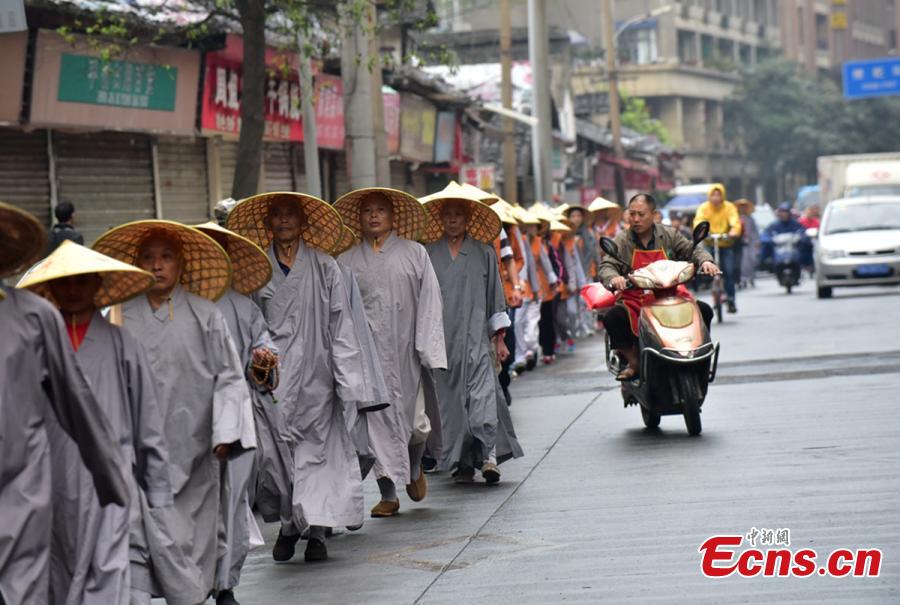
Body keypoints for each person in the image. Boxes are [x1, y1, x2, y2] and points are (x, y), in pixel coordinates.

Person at [94, 220, 257, 604]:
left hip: (198, 446)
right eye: (148, 257)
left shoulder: (206, 315)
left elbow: (230, 378)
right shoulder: (117, 318)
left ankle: (203, 590)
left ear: (181, 265)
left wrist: (225, 432)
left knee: (196, 533)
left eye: (166, 257)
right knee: (141, 529)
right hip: (138, 450)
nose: (157, 265)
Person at [17, 241, 173, 605]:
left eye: (81, 282)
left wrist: (157, 486)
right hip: (50, 479)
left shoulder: (123, 344)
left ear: (97, 285)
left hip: (111, 479)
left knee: (109, 569)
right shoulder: (32, 346)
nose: (72, 291)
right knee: (57, 572)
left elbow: (146, 417)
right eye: (64, 283)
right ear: (50, 288)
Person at [227, 192, 368, 563]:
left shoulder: (324, 266)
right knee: (278, 456)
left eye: (292, 215)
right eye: (278, 215)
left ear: (303, 222)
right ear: (269, 223)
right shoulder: (257, 272)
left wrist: (346, 375)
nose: (285, 221)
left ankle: (318, 530)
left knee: (318, 452)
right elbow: (250, 324)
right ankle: (290, 524)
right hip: (273, 378)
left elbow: (340, 321)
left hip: (318, 372)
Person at [0, 202, 129, 605]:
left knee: (24, 590)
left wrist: (109, 474)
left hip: (20, 482)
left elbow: (75, 400)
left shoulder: (35, 317)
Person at [335, 187, 446, 517]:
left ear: (392, 216)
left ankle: (414, 468)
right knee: (375, 430)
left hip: (406, 352)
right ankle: (388, 494)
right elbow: (339, 311)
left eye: (380, 210)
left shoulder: (415, 253)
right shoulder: (346, 260)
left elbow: (430, 301)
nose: (373, 215)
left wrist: (427, 344)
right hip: (367, 358)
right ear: (359, 218)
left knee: (417, 425)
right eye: (367, 210)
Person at [194, 222, 288, 605]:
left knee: (232, 503)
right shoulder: (171, 307)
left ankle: (226, 583)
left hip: (234, 415)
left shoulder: (242, 305)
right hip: (185, 421)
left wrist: (263, 358)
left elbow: (261, 345)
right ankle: (194, 582)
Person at [421, 190, 517, 483]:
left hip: (477, 339)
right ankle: (461, 460)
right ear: (440, 218)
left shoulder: (484, 251)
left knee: (483, 398)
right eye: (447, 214)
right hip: (442, 342)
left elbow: (495, 298)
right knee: (450, 405)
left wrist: (499, 339)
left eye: (458, 214)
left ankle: (489, 457)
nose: (452, 220)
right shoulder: (427, 253)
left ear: (468, 219)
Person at [600, 194, 720, 381]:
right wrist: (614, 277)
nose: (636, 219)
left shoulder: (669, 234)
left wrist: (706, 262)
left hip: (671, 293)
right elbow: (607, 264)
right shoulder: (622, 240)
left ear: (654, 215)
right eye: (632, 214)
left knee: (704, 311)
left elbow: (692, 249)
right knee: (613, 318)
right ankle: (633, 361)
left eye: (641, 214)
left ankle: (700, 356)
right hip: (636, 297)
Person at [693, 183, 741, 313]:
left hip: (726, 244)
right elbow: (699, 221)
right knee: (705, 266)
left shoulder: (729, 207)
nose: (715, 197)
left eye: (718, 194)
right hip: (709, 243)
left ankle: (731, 298)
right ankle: (711, 286)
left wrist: (733, 231)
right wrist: (702, 231)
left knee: (729, 272)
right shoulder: (704, 208)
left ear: (722, 195)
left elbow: (734, 221)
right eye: (713, 194)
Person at [759, 203, 814, 269]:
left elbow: (802, 232)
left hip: (793, 250)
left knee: (807, 244)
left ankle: (807, 264)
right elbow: (766, 234)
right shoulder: (774, 225)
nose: (784, 214)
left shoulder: (795, 224)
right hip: (779, 251)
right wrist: (768, 239)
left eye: (785, 212)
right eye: (782, 211)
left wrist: (802, 237)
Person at [735, 199, 760, 288]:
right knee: (743, 262)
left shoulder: (751, 219)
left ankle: (751, 277)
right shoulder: (736, 218)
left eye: (744, 206)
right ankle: (743, 279)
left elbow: (755, 231)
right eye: (741, 206)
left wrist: (757, 241)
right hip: (741, 243)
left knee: (753, 259)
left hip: (751, 242)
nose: (742, 208)